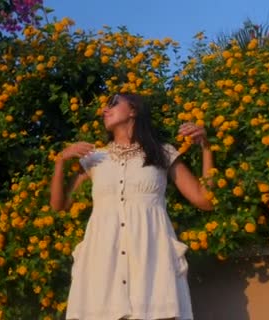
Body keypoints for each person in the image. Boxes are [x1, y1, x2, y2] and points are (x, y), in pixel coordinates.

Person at [49, 93, 214, 320]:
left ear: (134, 110)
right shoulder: (95, 158)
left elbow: (205, 200)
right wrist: (60, 161)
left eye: (113, 104)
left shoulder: (163, 154)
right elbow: (59, 205)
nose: (105, 110)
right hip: (103, 264)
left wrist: (206, 147)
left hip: (151, 263)